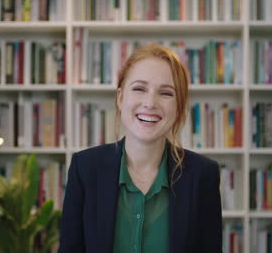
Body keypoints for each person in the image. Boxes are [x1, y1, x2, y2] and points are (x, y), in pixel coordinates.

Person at [58, 43, 222, 253]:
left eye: (166, 93)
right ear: (120, 98)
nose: (150, 103)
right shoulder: (85, 168)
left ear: (179, 106)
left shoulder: (203, 174)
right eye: (139, 89)